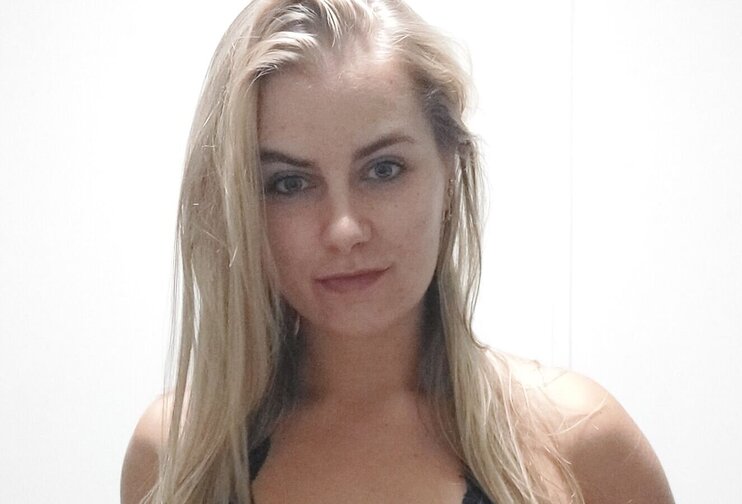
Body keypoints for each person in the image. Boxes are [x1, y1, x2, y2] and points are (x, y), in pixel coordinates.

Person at [120, 0, 674, 502]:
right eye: (289, 183)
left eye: (383, 170)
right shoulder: (177, 455)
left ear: (449, 172)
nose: (343, 229)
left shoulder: (581, 443)